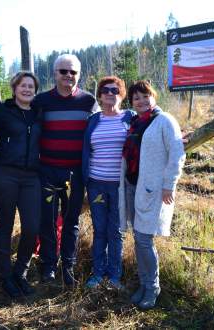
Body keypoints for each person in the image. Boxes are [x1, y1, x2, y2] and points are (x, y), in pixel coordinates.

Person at [119, 80, 185, 310]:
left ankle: (153, 287)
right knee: (139, 238)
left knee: (145, 239)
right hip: (132, 186)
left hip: (154, 189)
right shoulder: (134, 122)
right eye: (136, 98)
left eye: (145, 96)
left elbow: (177, 153)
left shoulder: (164, 120)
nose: (141, 101)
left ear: (153, 97)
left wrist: (169, 185)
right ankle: (144, 284)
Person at [33, 54, 98, 287]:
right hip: (48, 171)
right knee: (48, 220)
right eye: (63, 71)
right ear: (54, 74)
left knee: (71, 221)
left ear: (79, 75)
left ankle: (67, 266)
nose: (68, 76)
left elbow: (109, 120)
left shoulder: (89, 101)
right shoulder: (41, 101)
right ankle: (48, 265)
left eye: (73, 72)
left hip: (75, 174)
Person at [0, 72, 41, 298]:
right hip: (5, 175)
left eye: (31, 86)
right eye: (23, 86)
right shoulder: (2, 111)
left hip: (32, 177)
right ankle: (5, 276)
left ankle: (20, 272)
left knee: (32, 227)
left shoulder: (40, 113)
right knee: (5, 226)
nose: (27, 90)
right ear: (14, 88)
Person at [82, 76, 134, 289]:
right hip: (96, 184)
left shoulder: (130, 118)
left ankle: (114, 276)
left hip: (119, 187)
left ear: (121, 95)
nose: (110, 94)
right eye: (105, 90)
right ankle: (97, 273)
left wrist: (177, 136)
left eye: (115, 90)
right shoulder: (93, 120)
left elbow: (154, 121)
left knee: (116, 231)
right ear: (100, 95)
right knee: (99, 229)